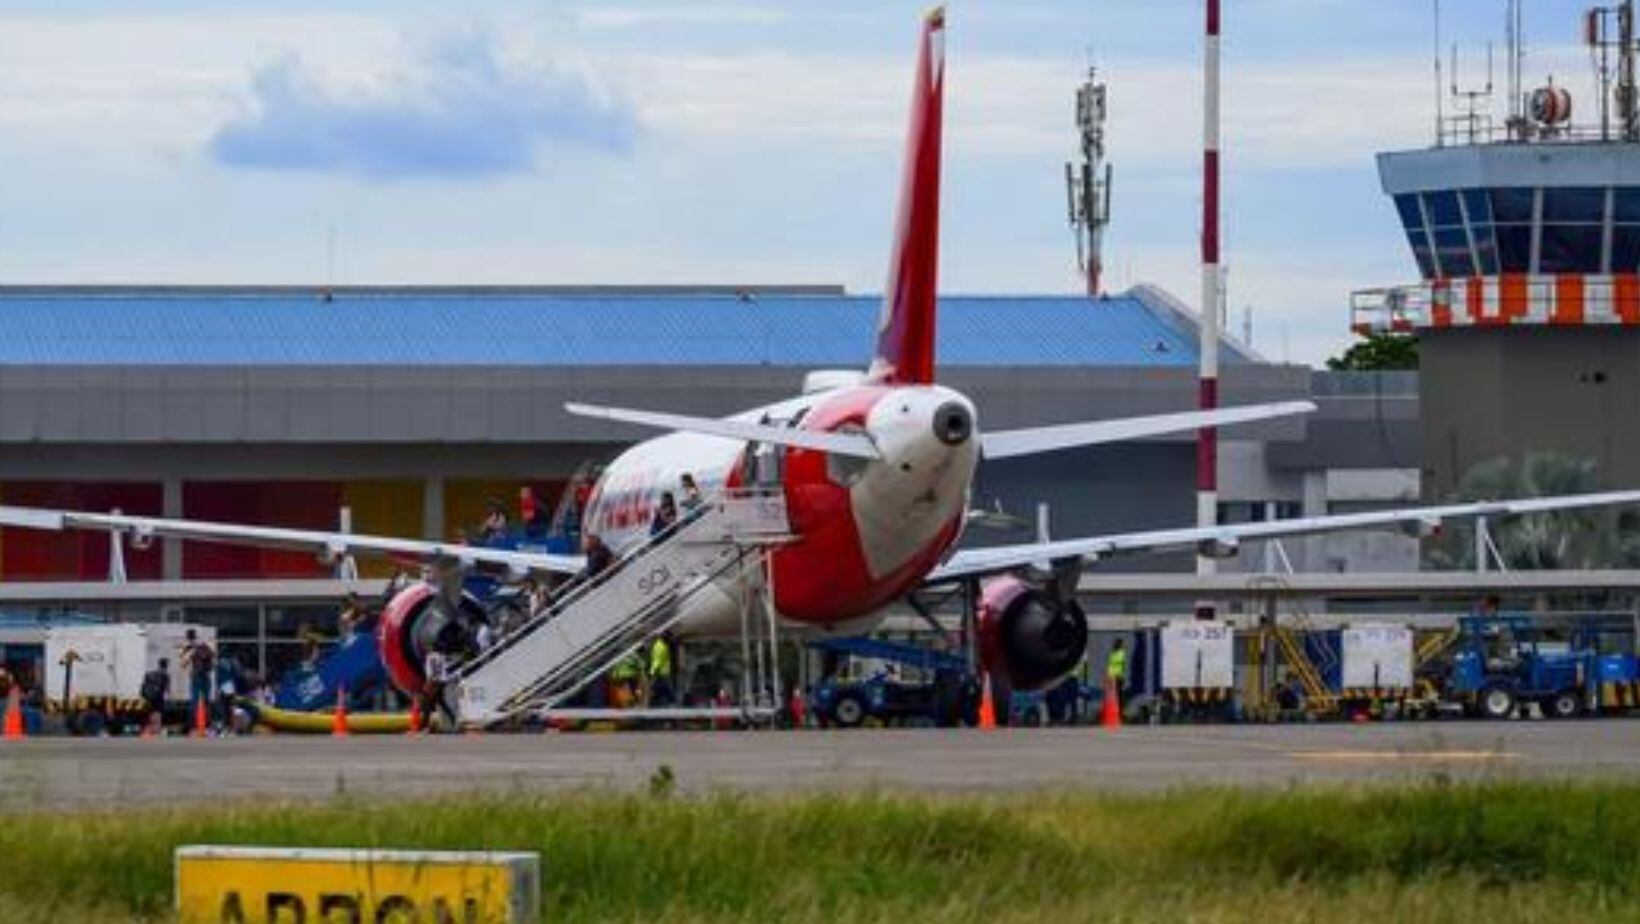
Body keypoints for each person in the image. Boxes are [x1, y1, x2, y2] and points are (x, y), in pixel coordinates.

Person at [180, 629, 216, 729]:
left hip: (196, 676)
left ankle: (193, 725)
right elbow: (213, 661)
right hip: (206, 676)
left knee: (194, 701)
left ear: (188, 637)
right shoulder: (204, 645)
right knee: (206, 701)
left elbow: (183, 664)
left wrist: (187, 657)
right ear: (196, 636)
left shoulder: (189, 647)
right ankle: (208, 725)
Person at [422, 648, 454, 729]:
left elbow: (429, 671)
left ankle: (424, 725)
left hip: (434, 681)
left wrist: (428, 683)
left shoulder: (429, 657)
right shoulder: (441, 656)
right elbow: (446, 667)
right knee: (441, 702)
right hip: (442, 681)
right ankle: (452, 717)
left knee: (427, 703)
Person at [140, 658, 170, 730]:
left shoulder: (151, 673)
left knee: (151, 711)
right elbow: (167, 689)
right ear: (166, 666)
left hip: (149, 696)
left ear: (159, 664)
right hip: (158, 697)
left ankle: (150, 727)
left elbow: (144, 684)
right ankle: (157, 728)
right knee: (158, 712)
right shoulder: (165, 674)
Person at [647, 635, 675, 707]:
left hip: (661, 672)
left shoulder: (659, 646)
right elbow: (657, 660)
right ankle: (670, 702)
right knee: (663, 688)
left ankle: (655, 702)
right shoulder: (661, 646)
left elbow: (657, 661)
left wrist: (651, 672)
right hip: (663, 671)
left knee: (659, 687)